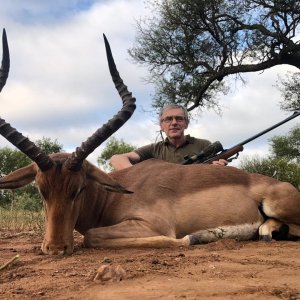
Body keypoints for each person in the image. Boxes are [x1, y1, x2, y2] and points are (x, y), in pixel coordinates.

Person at [110, 104, 227, 170]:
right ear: (161, 126)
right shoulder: (154, 149)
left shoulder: (204, 145)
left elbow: (218, 168)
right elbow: (116, 159)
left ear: (186, 124)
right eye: (168, 119)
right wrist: (138, 175)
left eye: (179, 118)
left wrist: (220, 168)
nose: (174, 123)